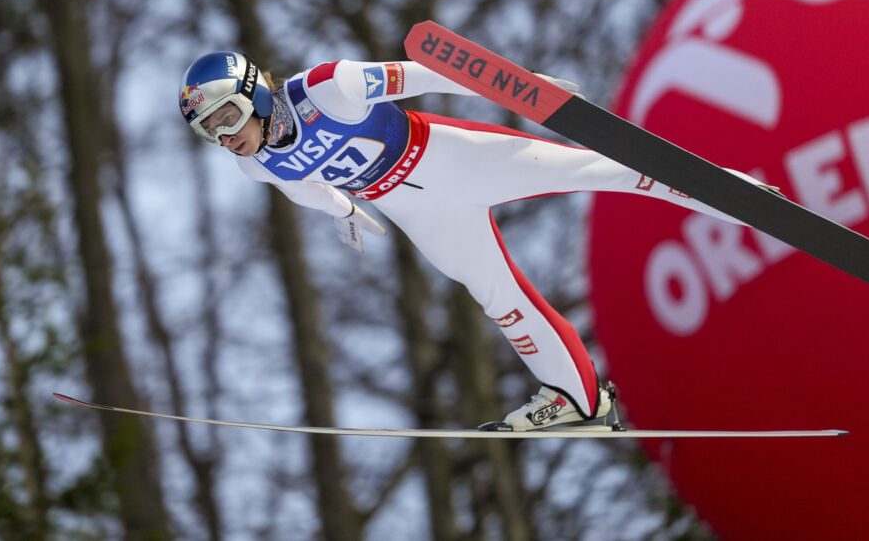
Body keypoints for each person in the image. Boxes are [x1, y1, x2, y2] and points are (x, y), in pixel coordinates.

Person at [178, 51, 764, 431]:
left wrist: (521, 89)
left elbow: (427, 72)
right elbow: (301, 188)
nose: (225, 138)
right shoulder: (258, 166)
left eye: (227, 118)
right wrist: (343, 212)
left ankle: (735, 196)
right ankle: (578, 399)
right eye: (209, 132)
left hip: (451, 156)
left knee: (599, 170)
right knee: (499, 298)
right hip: (417, 210)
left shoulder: (329, 88)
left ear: (253, 93)